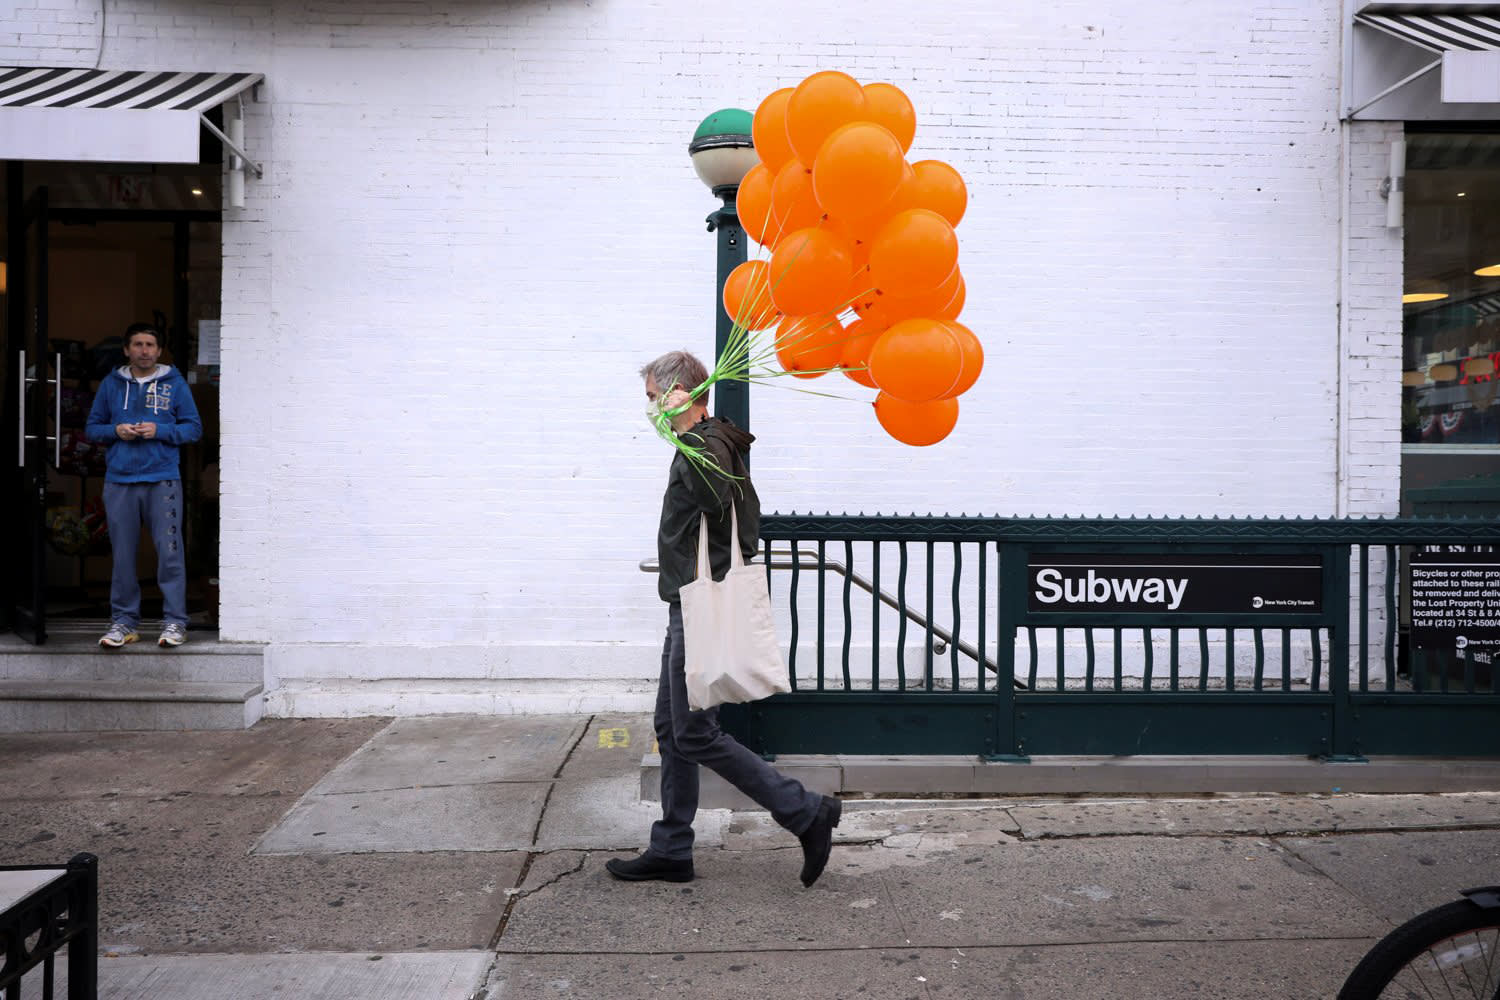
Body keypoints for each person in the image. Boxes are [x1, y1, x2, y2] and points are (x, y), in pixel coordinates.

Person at [607, 350, 841, 887]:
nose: (648, 408)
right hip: (686, 603)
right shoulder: (701, 443)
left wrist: (688, 430)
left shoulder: (707, 445)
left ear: (680, 392)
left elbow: (719, 502)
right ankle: (671, 847)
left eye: (652, 396)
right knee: (672, 729)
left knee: (693, 733)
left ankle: (805, 812)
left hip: (701, 604)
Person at [85, 323, 202, 649]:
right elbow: (93, 428)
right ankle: (124, 622)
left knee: (170, 554)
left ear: (159, 350)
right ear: (127, 350)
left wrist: (160, 430)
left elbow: (193, 428)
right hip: (120, 480)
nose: (144, 350)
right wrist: (116, 431)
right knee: (122, 556)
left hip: (162, 479)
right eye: (137, 344)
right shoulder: (111, 384)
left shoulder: (175, 384)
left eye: (150, 344)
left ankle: (175, 622)